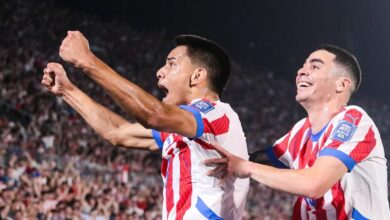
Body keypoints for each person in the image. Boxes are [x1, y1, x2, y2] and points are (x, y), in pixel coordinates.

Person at [41, 31, 249, 220]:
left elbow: (153, 115)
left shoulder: (217, 114)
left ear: (197, 76)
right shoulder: (186, 128)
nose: (160, 71)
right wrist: (67, 91)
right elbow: (117, 133)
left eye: (171, 64)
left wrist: (87, 60)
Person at [205, 45, 390, 219]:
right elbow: (252, 158)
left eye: (315, 66)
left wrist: (246, 167)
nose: (301, 71)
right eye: (302, 66)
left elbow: (314, 184)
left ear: (341, 84)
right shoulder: (301, 130)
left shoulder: (354, 120)